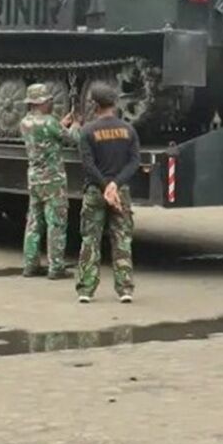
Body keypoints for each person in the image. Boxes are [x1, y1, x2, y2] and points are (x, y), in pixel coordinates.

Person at [76, 82, 139, 304]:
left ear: (95, 105)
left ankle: (86, 289)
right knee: (122, 239)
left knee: (90, 239)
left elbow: (88, 164)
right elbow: (134, 162)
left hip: (95, 191)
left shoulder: (87, 131)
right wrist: (115, 185)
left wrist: (104, 186)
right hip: (120, 192)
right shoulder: (128, 130)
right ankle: (125, 289)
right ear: (114, 104)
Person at [18, 83, 78, 278]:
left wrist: (61, 123)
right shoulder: (50, 122)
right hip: (53, 180)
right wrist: (76, 125)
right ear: (41, 102)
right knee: (56, 222)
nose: (51, 103)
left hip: (34, 179)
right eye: (49, 100)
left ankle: (30, 265)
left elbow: (48, 133)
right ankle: (56, 267)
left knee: (34, 222)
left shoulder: (25, 123)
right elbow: (71, 139)